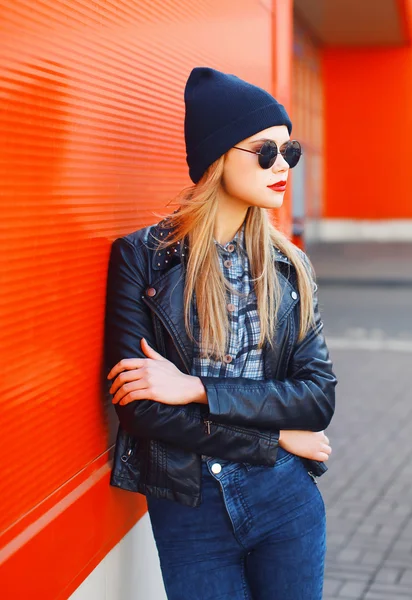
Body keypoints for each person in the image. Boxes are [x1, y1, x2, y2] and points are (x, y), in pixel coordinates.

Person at [104, 66, 338, 600]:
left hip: (286, 499)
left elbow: (317, 398)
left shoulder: (290, 265)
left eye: (289, 153)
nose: (282, 167)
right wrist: (275, 437)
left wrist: (198, 388)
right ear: (216, 159)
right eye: (264, 152)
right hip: (189, 505)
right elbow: (140, 410)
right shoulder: (143, 258)